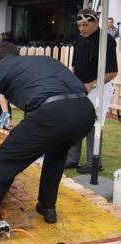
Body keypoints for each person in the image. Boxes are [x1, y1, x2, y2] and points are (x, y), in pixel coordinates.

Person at [0, 42, 96, 244]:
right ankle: (47, 207)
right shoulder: (45, 61)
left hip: (53, 112)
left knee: (2, 161)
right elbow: (73, 88)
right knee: (56, 154)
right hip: (85, 112)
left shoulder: (1, 67)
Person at [65, 8, 118, 174]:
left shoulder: (106, 41)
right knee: (75, 122)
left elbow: (111, 73)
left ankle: (94, 161)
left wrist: (91, 85)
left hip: (99, 88)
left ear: (95, 22)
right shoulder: (79, 40)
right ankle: (73, 158)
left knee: (93, 124)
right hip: (80, 87)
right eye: (79, 25)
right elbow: (75, 66)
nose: (82, 29)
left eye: (86, 24)